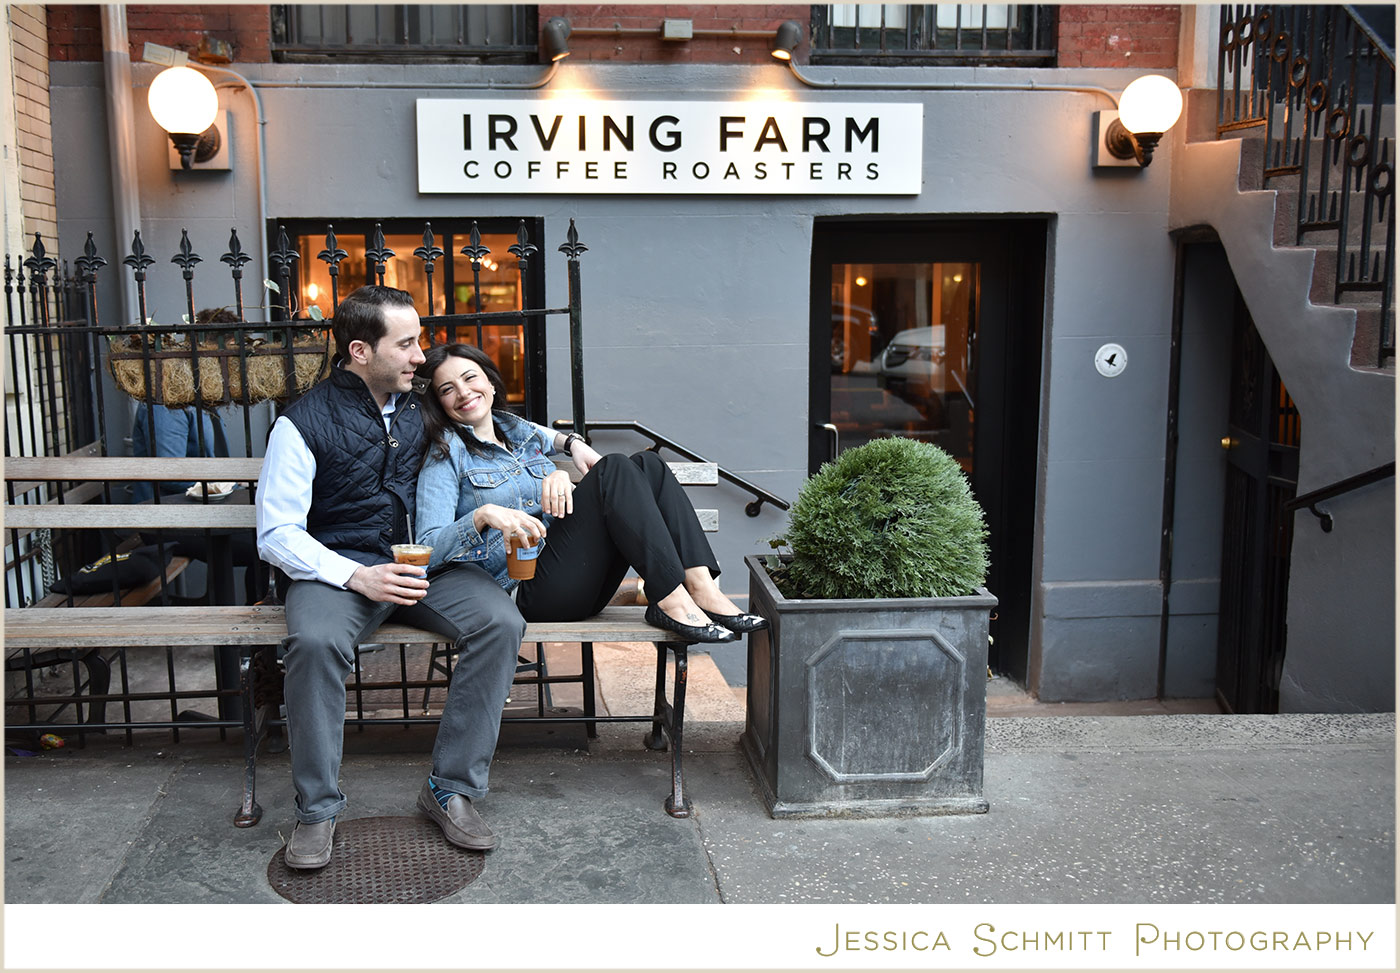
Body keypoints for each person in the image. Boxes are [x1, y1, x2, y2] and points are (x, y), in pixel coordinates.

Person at [255, 286, 525, 870]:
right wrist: (357, 576)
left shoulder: (423, 403)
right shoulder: (300, 423)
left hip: (426, 565)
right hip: (338, 572)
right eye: (406, 344)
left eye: (420, 342)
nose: (420, 357)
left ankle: (451, 789)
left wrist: (569, 446)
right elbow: (277, 534)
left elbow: (496, 419)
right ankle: (317, 809)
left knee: (500, 622)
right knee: (315, 642)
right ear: (359, 350)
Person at [413, 343, 767, 643]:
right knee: (613, 467)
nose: (462, 392)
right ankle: (672, 598)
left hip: (575, 577)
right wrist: (481, 515)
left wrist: (565, 461)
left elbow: (544, 439)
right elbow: (427, 550)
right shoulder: (445, 455)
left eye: (470, 378)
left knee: (649, 465)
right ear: (440, 403)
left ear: (490, 383)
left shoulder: (518, 435)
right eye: (447, 389)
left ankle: (701, 588)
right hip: (526, 593)